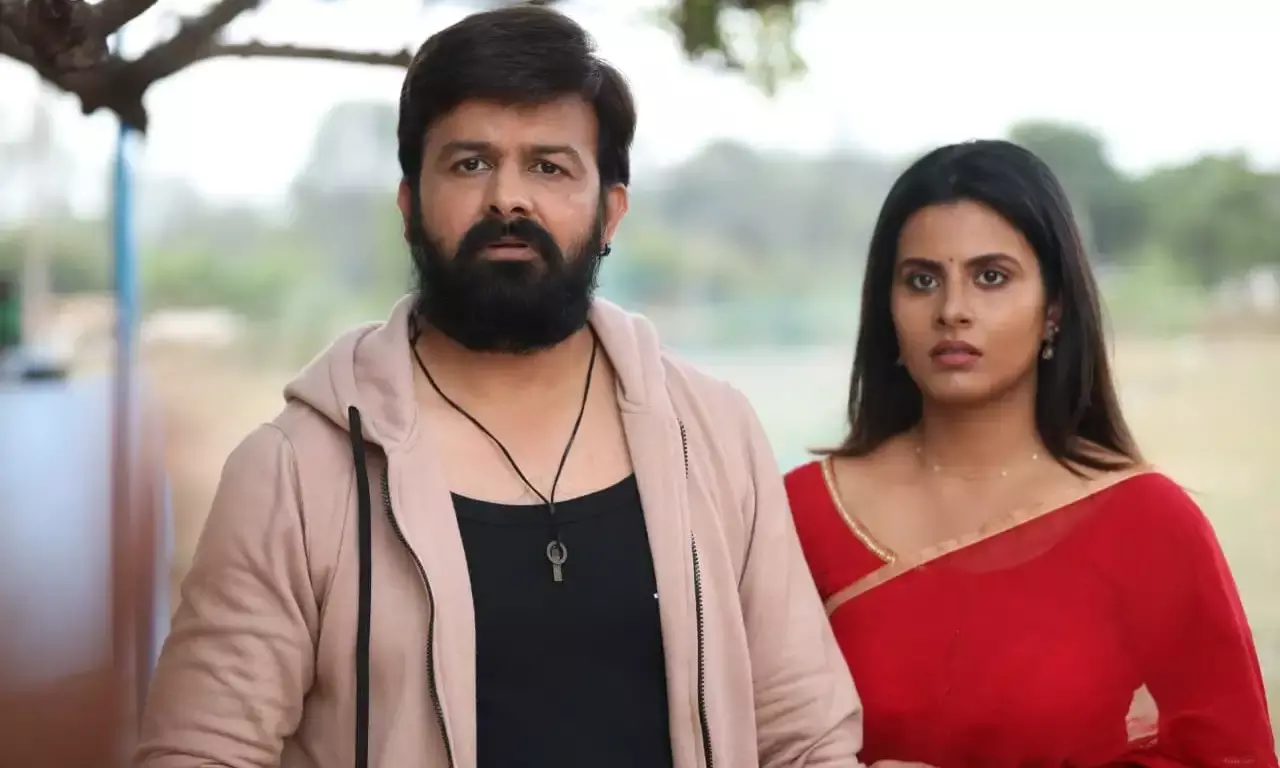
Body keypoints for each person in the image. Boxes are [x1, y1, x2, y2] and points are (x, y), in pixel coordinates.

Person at [135, 6, 863, 768]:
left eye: (549, 167)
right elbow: (202, 750)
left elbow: (803, 736)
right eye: (469, 164)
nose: (507, 199)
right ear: (410, 206)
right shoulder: (295, 472)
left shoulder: (712, 432)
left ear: (610, 213)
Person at [784, 140, 1277, 768]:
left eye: (991, 277)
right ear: (887, 307)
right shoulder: (800, 514)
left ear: (1054, 310)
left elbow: (1232, 756)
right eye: (921, 280)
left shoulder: (1147, 522)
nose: (952, 311)